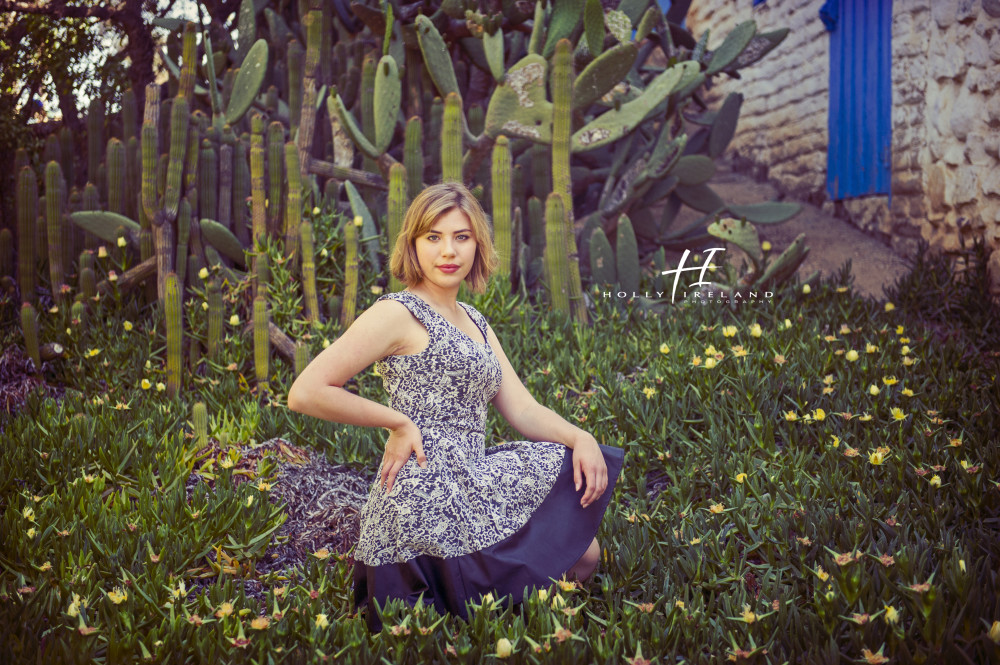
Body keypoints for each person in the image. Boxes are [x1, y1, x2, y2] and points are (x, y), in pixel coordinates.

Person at [287, 182, 625, 632]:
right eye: (434, 237)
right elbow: (306, 390)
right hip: (422, 486)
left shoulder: (476, 322)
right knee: (475, 606)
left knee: (584, 553)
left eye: (461, 237)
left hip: (472, 472)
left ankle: (522, 627)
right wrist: (397, 421)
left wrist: (581, 437)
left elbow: (522, 409)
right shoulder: (398, 312)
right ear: (413, 244)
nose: (448, 251)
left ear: (477, 244)